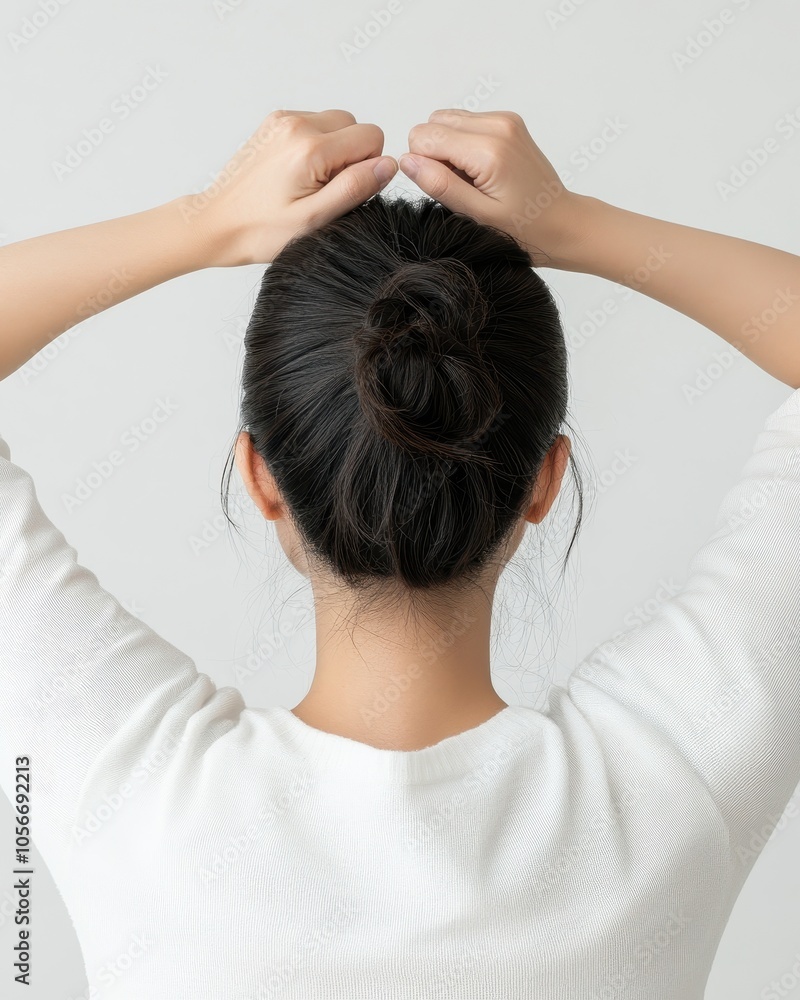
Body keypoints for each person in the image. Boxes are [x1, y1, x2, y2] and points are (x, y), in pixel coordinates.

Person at [0, 107, 798, 999]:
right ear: (545, 482)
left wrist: (204, 222)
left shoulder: (128, 795)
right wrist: (576, 222)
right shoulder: (668, 786)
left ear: (260, 479)